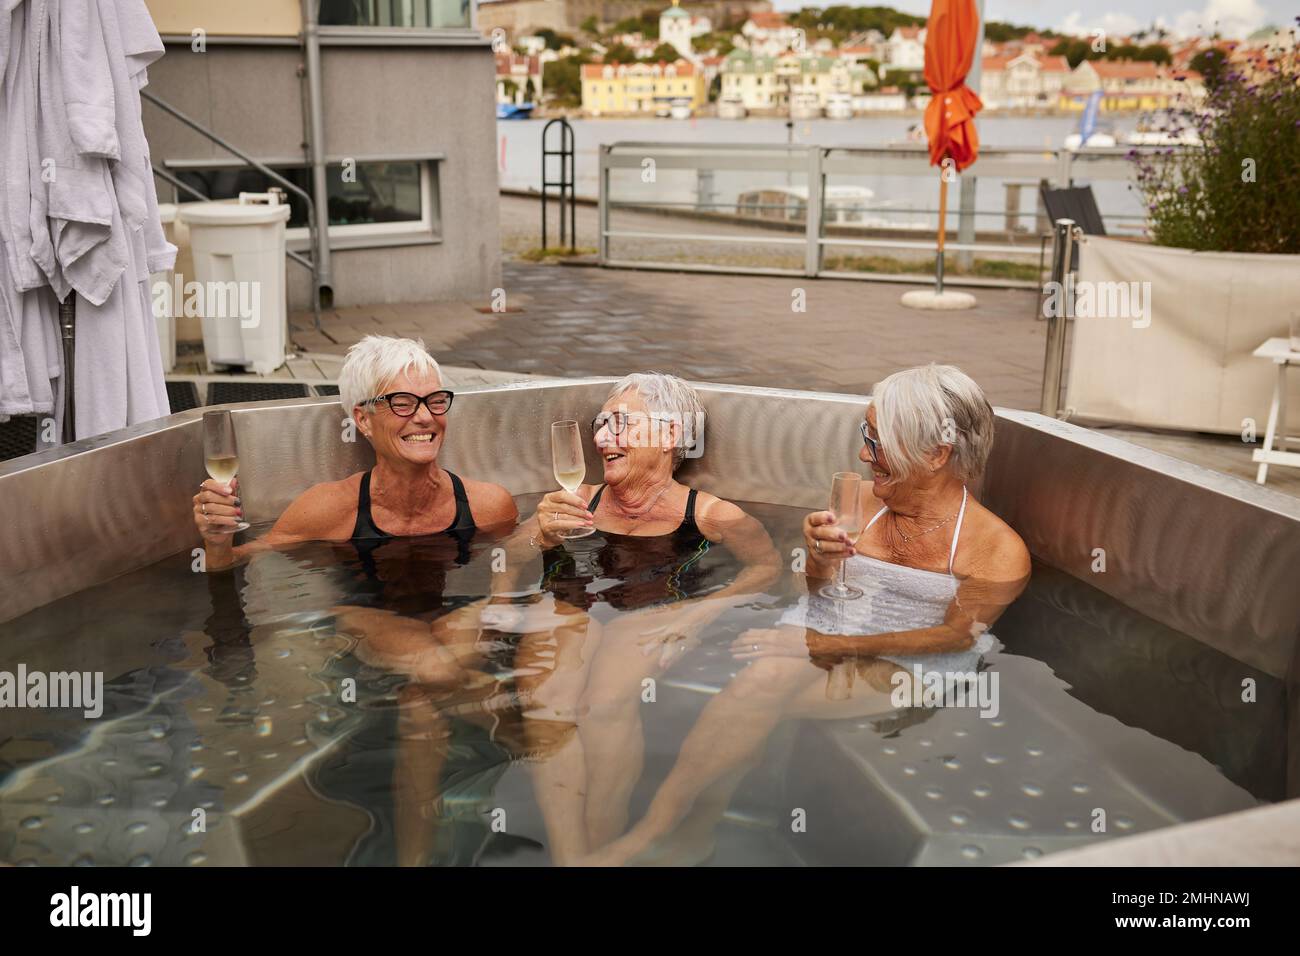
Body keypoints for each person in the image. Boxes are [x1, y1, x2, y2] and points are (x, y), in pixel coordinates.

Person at [580, 364, 1031, 865]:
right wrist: (817, 559)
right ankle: (685, 833)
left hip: (916, 660)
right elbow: (811, 591)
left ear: (935, 453)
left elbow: (956, 635)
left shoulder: (995, 550)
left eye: (878, 442)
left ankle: (653, 835)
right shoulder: (856, 500)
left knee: (757, 702)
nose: (864, 453)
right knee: (760, 685)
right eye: (867, 434)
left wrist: (829, 646)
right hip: (822, 628)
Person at [483, 372, 780, 863]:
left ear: (668, 435)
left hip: (649, 607)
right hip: (571, 606)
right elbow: (507, 557)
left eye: (620, 425)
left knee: (606, 703)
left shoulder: (711, 516)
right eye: (601, 426)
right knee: (549, 703)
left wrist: (701, 612)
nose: (601, 439)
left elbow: (768, 569)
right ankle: (570, 856)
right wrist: (538, 538)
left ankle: (600, 850)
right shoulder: (577, 502)